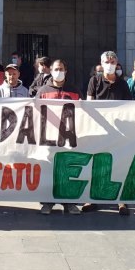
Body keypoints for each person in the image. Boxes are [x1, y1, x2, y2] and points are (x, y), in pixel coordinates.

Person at [84, 50, 132, 215]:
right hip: (99, 130)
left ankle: (121, 200)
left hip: (119, 131)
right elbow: (89, 105)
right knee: (97, 163)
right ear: (101, 64)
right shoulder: (94, 81)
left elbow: (129, 107)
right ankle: (92, 199)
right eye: (107, 62)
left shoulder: (123, 84)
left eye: (113, 62)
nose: (110, 65)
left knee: (119, 163)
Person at [36, 59, 81, 215]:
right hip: (49, 137)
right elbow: (35, 113)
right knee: (49, 169)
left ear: (66, 70)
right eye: (56, 69)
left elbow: (82, 112)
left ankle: (69, 203)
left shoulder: (74, 90)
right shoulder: (42, 91)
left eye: (61, 68)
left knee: (68, 169)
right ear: (51, 71)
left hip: (69, 138)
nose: (58, 71)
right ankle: (48, 202)